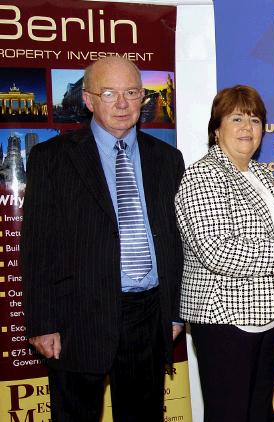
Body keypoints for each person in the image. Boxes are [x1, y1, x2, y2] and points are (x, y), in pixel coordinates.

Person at [21, 57, 185, 421]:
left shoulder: (167, 159)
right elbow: (36, 247)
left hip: (148, 316)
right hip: (77, 317)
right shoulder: (52, 158)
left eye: (131, 92)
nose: (123, 103)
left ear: (143, 97)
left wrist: (173, 311)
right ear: (88, 99)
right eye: (109, 93)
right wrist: (41, 323)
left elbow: (176, 242)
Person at [175, 84, 274, 422]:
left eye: (256, 120)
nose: (248, 128)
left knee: (259, 412)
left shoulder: (263, 175)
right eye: (237, 118)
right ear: (217, 129)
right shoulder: (202, 176)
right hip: (225, 317)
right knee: (229, 414)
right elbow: (219, 251)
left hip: (266, 315)